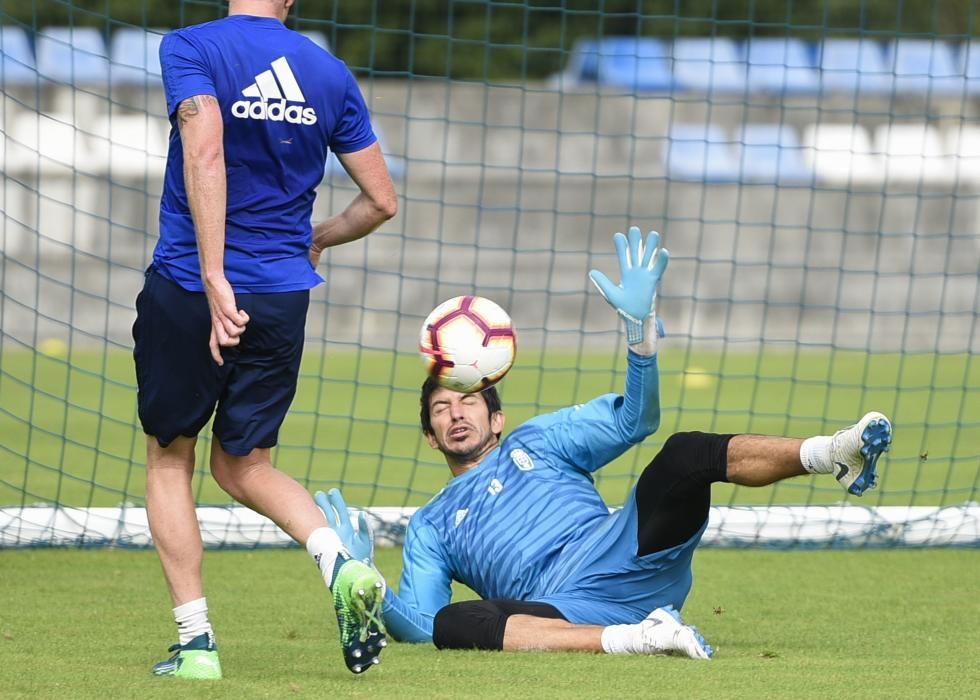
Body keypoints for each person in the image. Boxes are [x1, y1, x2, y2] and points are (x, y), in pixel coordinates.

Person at [316, 225, 893, 658]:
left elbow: (633, 421)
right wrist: (362, 578)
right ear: (429, 435)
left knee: (685, 453)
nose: (456, 413)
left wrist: (638, 337)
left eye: (468, 400)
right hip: (561, 607)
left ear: (497, 418)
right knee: (454, 626)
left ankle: (832, 453)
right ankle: (638, 639)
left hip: (623, 552)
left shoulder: (539, 439)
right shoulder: (431, 524)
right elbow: (419, 622)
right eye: (441, 408)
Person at [133, 0, 397, 679]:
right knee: (244, 465)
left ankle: (197, 647)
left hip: (195, 286)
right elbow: (381, 201)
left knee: (171, 458)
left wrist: (216, 274)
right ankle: (338, 561)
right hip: (282, 296)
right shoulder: (329, 71)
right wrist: (315, 239)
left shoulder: (190, 47)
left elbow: (205, 144)